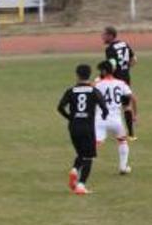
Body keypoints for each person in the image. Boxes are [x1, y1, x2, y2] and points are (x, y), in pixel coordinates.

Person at [57, 64, 109, 195]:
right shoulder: (93, 91)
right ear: (89, 74)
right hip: (87, 127)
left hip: (74, 127)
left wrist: (70, 117)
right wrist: (103, 114)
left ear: (77, 75)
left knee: (81, 153)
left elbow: (60, 107)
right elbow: (104, 107)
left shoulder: (71, 91)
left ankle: (75, 169)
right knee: (89, 157)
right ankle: (81, 185)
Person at [94, 60, 136, 175]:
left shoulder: (97, 84)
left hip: (100, 119)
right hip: (116, 120)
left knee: (94, 144)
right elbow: (132, 98)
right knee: (122, 141)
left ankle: (80, 166)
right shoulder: (121, 83)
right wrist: (135, 115)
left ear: (103, 71)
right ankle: (123, 167)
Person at [102, 26, 137, 139]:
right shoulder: (124, 44)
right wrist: (125, 69)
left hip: (115, 79)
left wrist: (104, 77)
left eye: (104, 35)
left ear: (110, 35)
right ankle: (131, 134)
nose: (102, 37)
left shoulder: (110, 49)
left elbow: (112, 65)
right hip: (126, 78)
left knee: (110, 103)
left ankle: (108, 130)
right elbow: (134, 60)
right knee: (126, 105)